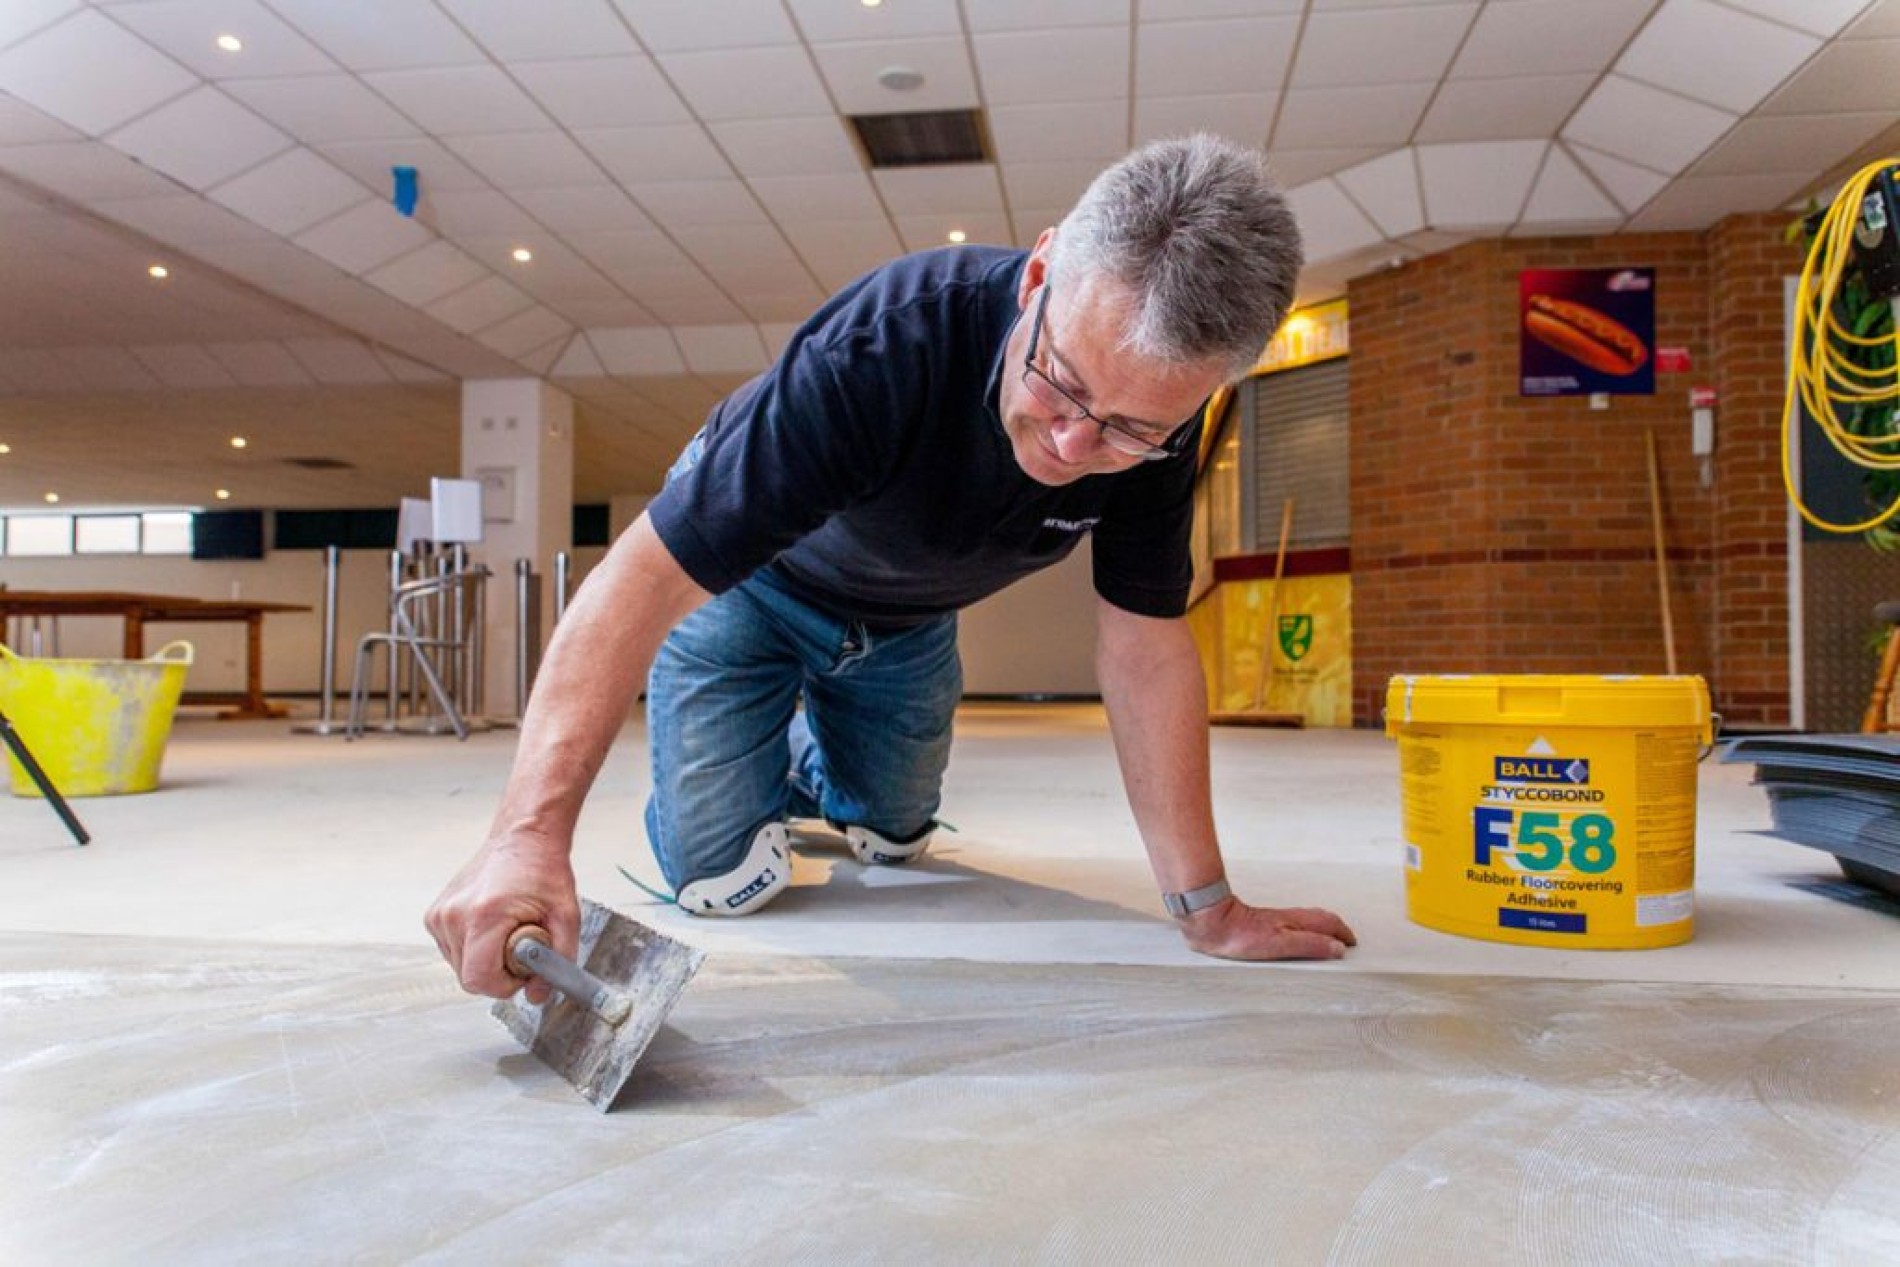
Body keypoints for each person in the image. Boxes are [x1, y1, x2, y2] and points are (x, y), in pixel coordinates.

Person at [427, 134, 1357, 1002]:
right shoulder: (879, 352)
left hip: (907, 625)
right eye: (1062, 381)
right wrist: (525, 837)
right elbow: (640, 581)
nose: (1074, 442)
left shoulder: (1163, 428)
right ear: (1039, 275)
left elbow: (1145, 642)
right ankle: (736, 731)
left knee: (895, 838)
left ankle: (788, 752)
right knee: (723, 879)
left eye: (1129, 427)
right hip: (751, 590)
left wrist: (1207, 908)